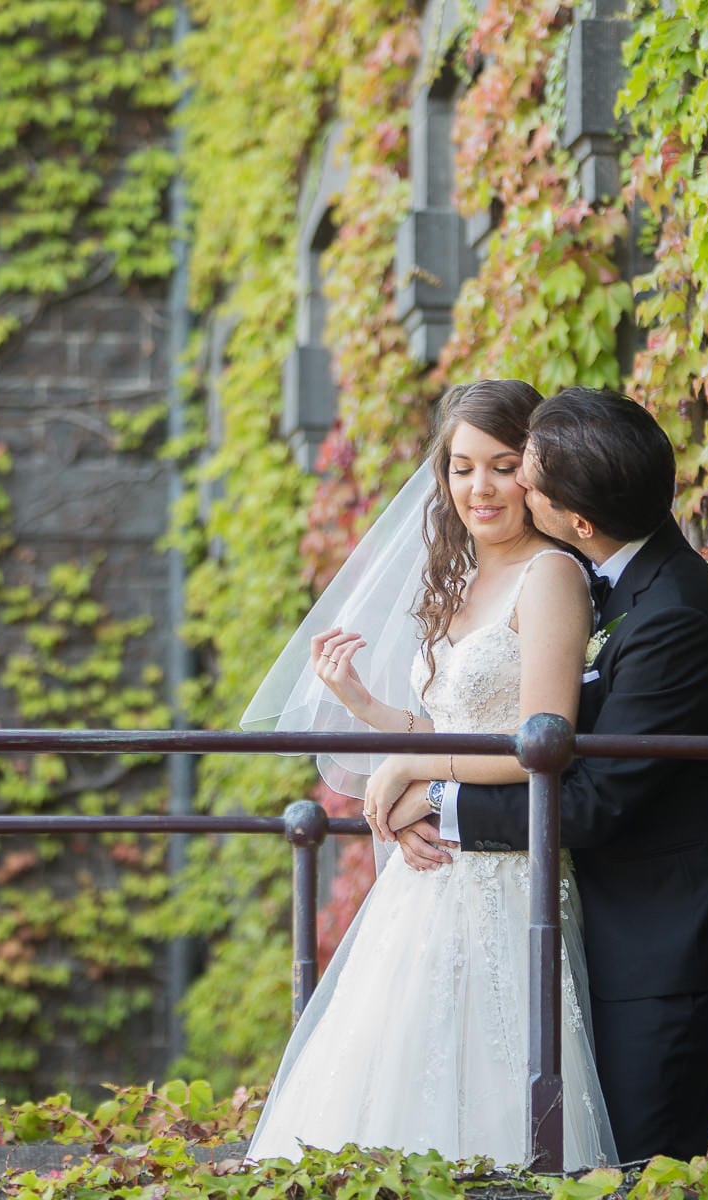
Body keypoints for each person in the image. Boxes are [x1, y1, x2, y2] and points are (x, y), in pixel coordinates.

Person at [368, 387, 708, 1164]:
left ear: (577, 521)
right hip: (616, 923)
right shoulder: (623, 585)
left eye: (528, 475)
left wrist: (437, 801)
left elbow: (591, 803)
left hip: (668, 943)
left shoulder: (674, 615)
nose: (512, 488)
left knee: (635, 1170)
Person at [243, 379, 617, 1170]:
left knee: (489, 1089)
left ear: (538, 471)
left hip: (506, 876)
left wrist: (415, 772)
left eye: (504, 465)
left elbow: (538, 742)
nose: (480, 488)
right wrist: (371, 709)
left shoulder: (551, 576)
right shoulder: (460, 579)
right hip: (426, 884)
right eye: (461, 467)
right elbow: (455, 730)